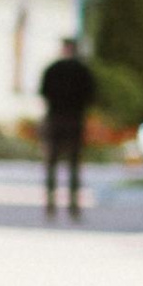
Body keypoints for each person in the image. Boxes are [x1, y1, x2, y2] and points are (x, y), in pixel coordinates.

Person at [36, 36, 96, 222]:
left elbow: (44, 92)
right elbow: (91, 95)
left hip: (59, 118)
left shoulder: (55, 69)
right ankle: (67, 206)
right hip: (72, 119)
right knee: (70, 165)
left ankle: (57, 205)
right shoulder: (81, 70)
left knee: (58, 164)